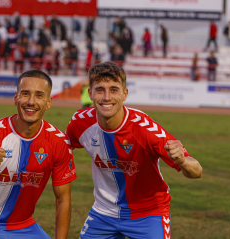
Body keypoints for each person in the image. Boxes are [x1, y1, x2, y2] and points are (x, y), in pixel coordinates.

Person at [66, 62, 203, 239]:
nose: (107, 97)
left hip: (149, 213)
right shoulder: (79, 123)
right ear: (90, 93)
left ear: (125, 94)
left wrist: (182, 161)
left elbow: (197, 171)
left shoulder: (146, 130)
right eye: (100, 90)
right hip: (103, 213)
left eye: (114, 90)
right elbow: (63, 149)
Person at [0, 70, 76, 239]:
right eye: (25, 94)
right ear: (16, 98)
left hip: (24, 227)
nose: (31, 102)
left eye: (39, 95)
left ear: (48, 102)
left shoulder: (59, 142)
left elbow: (63, 199)